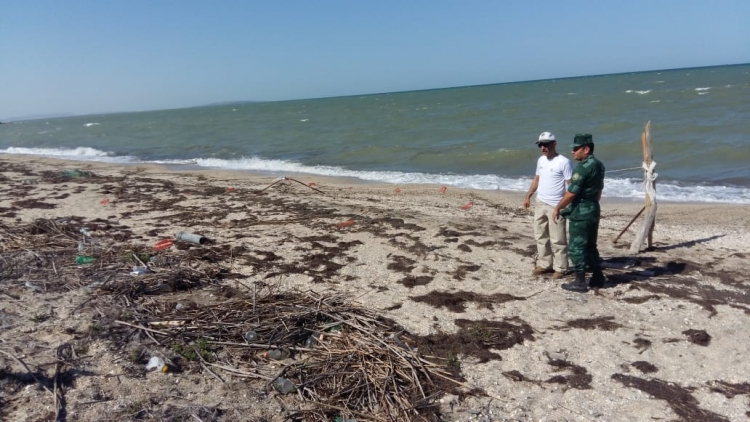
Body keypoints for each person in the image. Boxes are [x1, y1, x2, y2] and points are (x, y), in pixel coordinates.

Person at [552, 134, 606, 292]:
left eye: (576, 149)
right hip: (593, 209)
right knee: (590, 245)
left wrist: (558, 207)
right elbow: (599, 191)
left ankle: (580, 282)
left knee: (576, 247)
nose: (573, 152)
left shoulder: (582, 168)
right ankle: (597, 276)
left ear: (586, 149)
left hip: (581, 212)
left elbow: (571, 193)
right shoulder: (599, 165)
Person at [524, 131, 573, 279]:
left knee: (558, 238)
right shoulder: (541, 160)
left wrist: (564, 205)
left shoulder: (564, 162)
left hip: (556, 205)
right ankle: (545, 264)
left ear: (554, 144)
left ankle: (561, 267)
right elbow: (537, 179)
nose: (543, 147)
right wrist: (528, 196)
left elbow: (571, 186)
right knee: (540, 235)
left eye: (546, 144)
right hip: (541, 202)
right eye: (540, 145)